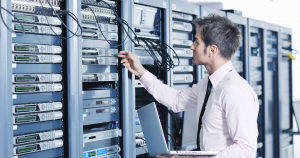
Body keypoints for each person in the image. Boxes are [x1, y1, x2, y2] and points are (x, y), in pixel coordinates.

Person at [118, 14, 259, 158]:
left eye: (197, 42)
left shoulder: (234, 90)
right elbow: (176, 100)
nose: (191, 46)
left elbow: (245, 151)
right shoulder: (208, 84)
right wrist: (140, 71)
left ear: (212, 50)